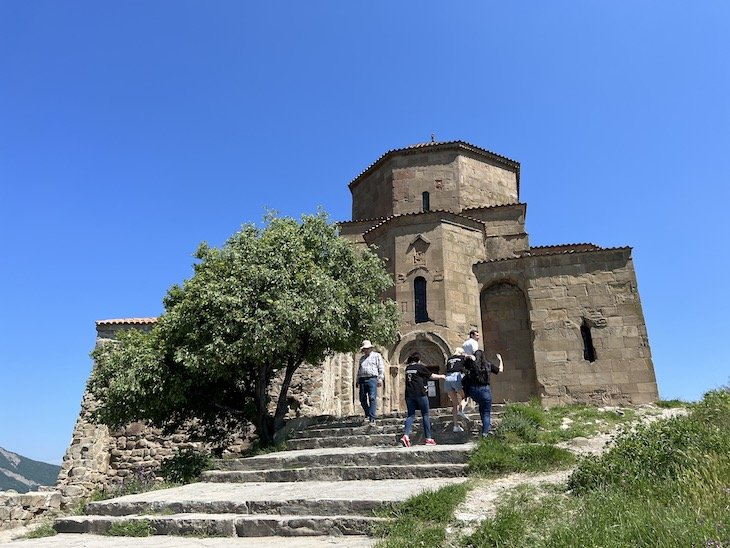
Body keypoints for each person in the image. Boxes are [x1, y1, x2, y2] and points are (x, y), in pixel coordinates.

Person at [400, 352, 446, 447]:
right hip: (420, 393)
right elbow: (431, 376)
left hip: (409, 395)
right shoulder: (419, 367)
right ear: (418, 359)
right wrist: (442, 376)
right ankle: (428, 438)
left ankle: (406, 435)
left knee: (410, 415)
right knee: (425, 414)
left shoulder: (408, 369)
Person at [463, 349, 504, 437]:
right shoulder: (488, 365)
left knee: (482, 409)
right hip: (485, 390)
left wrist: (469, 357)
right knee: (486, 413)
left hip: (473, 391)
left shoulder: (471, 364)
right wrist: (500, 360)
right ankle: (485, 433)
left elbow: (463, 364)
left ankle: (483, 430)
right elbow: (500, 370)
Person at [355, 340, 384, 425]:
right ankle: (367, 414)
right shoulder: (362, 358)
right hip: (363, 379)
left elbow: (381, 367)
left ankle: (372, 418)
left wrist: (380, 378)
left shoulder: (376, 356)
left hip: (372, 378)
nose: (366, 350)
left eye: (367, 348)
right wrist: (357, 380)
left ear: (370, 348)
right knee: (362, 398)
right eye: (365, 349)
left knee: (372, 397)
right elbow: (359, 370)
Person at [444, 348, 469, 432]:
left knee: (455, 404)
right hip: (456, 376)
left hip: (447, 378)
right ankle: (461, 410)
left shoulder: (449, 359)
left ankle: (455, 426)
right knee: (466, 396)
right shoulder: (462, 357)